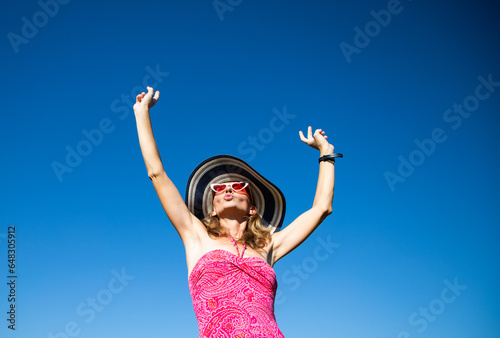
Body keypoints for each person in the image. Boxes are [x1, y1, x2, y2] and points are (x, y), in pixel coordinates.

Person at [133, 86, 340, 337]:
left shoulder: (268, 247)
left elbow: (321, 208)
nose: (228, 188)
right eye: (219, 187)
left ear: (252, 208)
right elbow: (157, 174)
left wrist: (326, 154)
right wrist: (141, 113)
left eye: (238, 186)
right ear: (212, 209)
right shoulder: (196, 236)